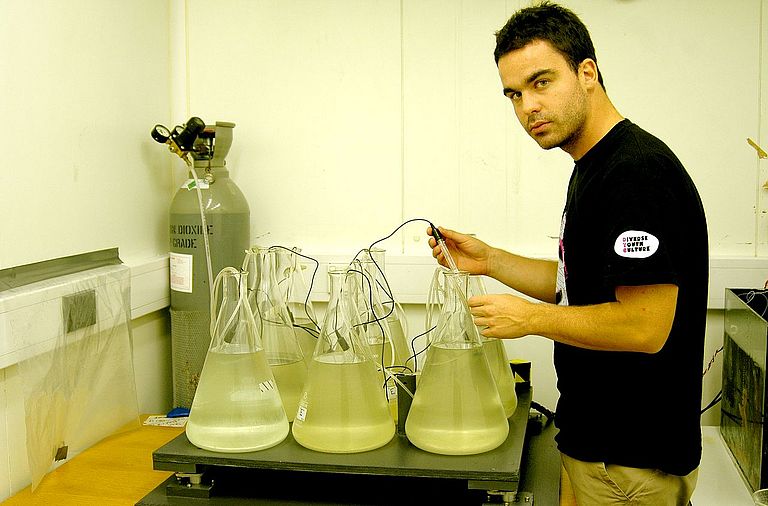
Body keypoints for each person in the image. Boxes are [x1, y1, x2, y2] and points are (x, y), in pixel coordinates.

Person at [428, 2, 708, 504]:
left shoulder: (636, 173)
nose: (528, 107)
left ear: (587, 73)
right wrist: (489, 260)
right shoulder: (594, 166)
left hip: (628, 462)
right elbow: (579, 285)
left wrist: (529, 319)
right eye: (514, 94)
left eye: (541, 82)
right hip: (595, 447)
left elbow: (644, 326)